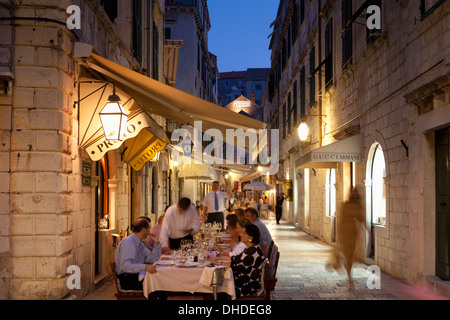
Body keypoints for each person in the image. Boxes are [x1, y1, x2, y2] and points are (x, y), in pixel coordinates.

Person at [337, 188, 372, 291]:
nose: (354, 193)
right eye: (352, 192)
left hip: (353, 232)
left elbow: (363, 220)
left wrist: (369, 231)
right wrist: (338, 234)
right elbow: (340, 220)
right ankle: (350, 278)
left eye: (355, 192)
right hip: (345, 232)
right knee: (348, 255)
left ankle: (349, 274)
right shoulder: (345, 205)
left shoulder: (359, 207)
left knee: (350, 256)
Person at [114, 219, 161, 290]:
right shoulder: (128, 242)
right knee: (159, 287)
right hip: (128, 280)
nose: (149, 232)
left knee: (160, 283)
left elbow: (153, 259)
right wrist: (145, 267)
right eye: (149, 229)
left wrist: (156, 243)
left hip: (136, 277)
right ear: (143, 230)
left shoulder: (140, 243)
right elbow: (126, 267)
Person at [231, 224, 265, 298]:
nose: (240, 235)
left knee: (221, 286)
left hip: (246, 287)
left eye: (243, 233)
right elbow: (234, 259)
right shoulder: (249, 249)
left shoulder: (253, 252)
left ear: (250, 237)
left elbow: (236, 267)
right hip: (244, 282)